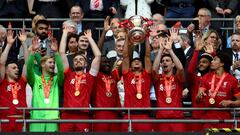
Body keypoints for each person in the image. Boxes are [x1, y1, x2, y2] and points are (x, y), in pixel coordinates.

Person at [59, 29, 101, 132]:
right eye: (76, 60)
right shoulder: (68, 75)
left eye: (81, 59)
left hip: (83, 114)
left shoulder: (90, 77)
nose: (78, 61)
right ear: (72, 64)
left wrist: (90, 38)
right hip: (67, 114)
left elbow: (98, 56)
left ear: (86, 64)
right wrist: (64, 33)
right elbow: (61, 53)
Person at [27, 37, 64, 132]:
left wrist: (56, 53)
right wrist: (32, 53)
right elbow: (28, 69)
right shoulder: (35, 79)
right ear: (43, 64)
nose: (53, 64)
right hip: (36, 118)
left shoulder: (56, 79)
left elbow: (61, 70)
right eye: (50, 62)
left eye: (53, 63)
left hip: (53, 118)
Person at [197, 52, 240, 129]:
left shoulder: (232, 80)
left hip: (225, 119)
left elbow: (239, 101)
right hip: (208, 119)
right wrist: (199, 96)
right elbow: (198, 99)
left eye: (215, 60)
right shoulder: (206, 77)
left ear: (222, 63)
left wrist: (230, 102)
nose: (211, 62)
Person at [152, 36, 186, 132]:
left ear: (173, 64)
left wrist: (170, 50)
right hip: (161, 118)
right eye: (162, 61)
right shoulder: (158, 79)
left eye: (167, 61)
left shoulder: (177, 78)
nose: (164, 63)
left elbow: (181, 68)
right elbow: (154, 69)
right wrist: (160, 50)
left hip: (177, 118)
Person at [121, 34, 152, 132]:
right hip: (129, 115)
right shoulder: (127, 75)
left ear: (143, 66)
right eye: (134, 61)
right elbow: (125, 56)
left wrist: (146, 36)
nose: (137, 62)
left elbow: (147, 56)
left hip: (144, 115)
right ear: (130, 66)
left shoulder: (146, 75)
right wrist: (127, 36)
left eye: (139, 61)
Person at [0, 28, 28, 132]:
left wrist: (24, 43)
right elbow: (2, 63)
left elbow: (27, 63)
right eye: (13, 68)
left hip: (21, 121)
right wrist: (8, 45)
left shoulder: (22, 82)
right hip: (4, 120)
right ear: (6, 71)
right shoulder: (2, 82)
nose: (17, 70)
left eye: (17, 68)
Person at [187, 33, 213, 131]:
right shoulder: (195, 79)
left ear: (210, 65)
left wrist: (213, 54)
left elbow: (217, 68)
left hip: (211, 117)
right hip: (197, 117)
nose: (201, 64)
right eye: (200, 62)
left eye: (205, 62)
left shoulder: (214, 77)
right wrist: (196, 51)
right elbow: (189, 70)